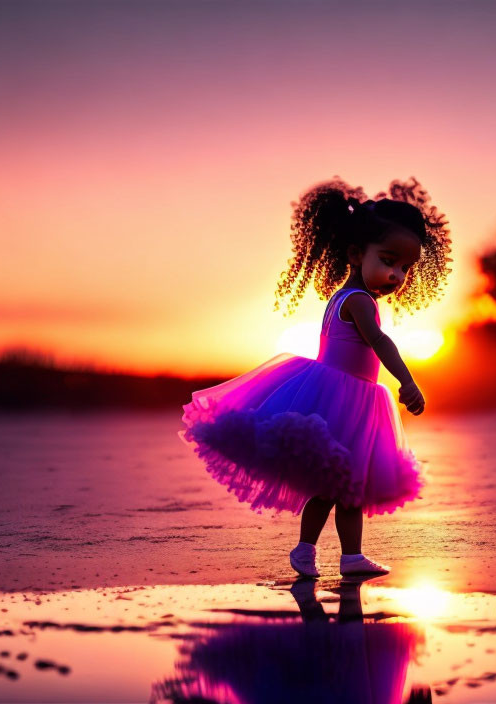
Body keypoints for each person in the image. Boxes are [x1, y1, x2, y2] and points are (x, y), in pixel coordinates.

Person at [178, 175, 452, 578]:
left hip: (351, 398)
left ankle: (334, 554)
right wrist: (406, 381)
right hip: (343, 398)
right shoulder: (358, 301)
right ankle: (321, 552)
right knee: (339, 484)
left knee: (344, 484)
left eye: (405, 267)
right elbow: (380, 342)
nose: (396, 274)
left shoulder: (343, 297)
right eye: (388, 260)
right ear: (357, 254)